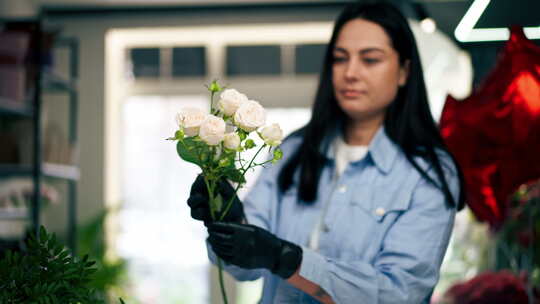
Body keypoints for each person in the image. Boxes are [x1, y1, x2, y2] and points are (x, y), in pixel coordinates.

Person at [187, 1, 465, 303]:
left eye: (370, 59)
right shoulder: (292, 153)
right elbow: (243, 269)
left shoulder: (427, 173)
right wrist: (229, 222)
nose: (350, 73)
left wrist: (288, 259)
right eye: (339, 58)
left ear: (403, 72)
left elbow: (401, 294)